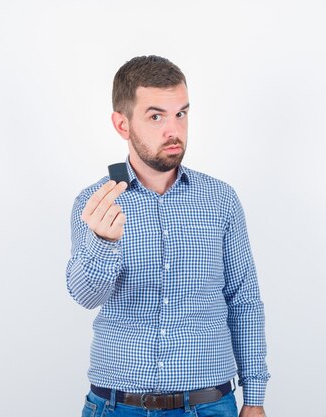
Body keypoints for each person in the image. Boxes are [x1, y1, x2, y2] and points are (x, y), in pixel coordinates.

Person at [66, 55, 269, 417]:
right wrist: (103, 242)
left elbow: (244, 300)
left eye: (182, 114)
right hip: (117, 407)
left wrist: (254, 397)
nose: (173, 130)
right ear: (122, 124)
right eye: (156, 116)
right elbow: (84, 296)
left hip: (209, 406)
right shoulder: (94, 203)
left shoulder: (220, 200)